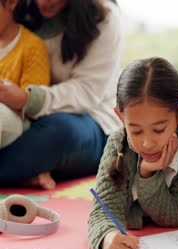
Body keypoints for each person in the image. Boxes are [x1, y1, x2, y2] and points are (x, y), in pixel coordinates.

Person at [87, 57, 178, 249]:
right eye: (135, 131)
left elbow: (173, 217)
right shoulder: (118, 143)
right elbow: (103, 212)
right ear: (121, 118)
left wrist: (147, 174)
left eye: (158, 129)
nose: (146, 143)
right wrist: (107, 237)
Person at [0, 0, 123, 189]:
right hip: (26, 115)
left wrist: (28, 99)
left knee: (58, 132)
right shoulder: (17, 9)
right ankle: (27, 173)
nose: (43, 2)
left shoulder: (104, 16)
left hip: (88, 118)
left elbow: (87, 92)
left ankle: (27, 169)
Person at [0, 0, 50, 149]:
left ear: (11, 3)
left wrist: (11, 95)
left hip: (16, 120)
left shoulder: (32, 46)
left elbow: (32, 108)